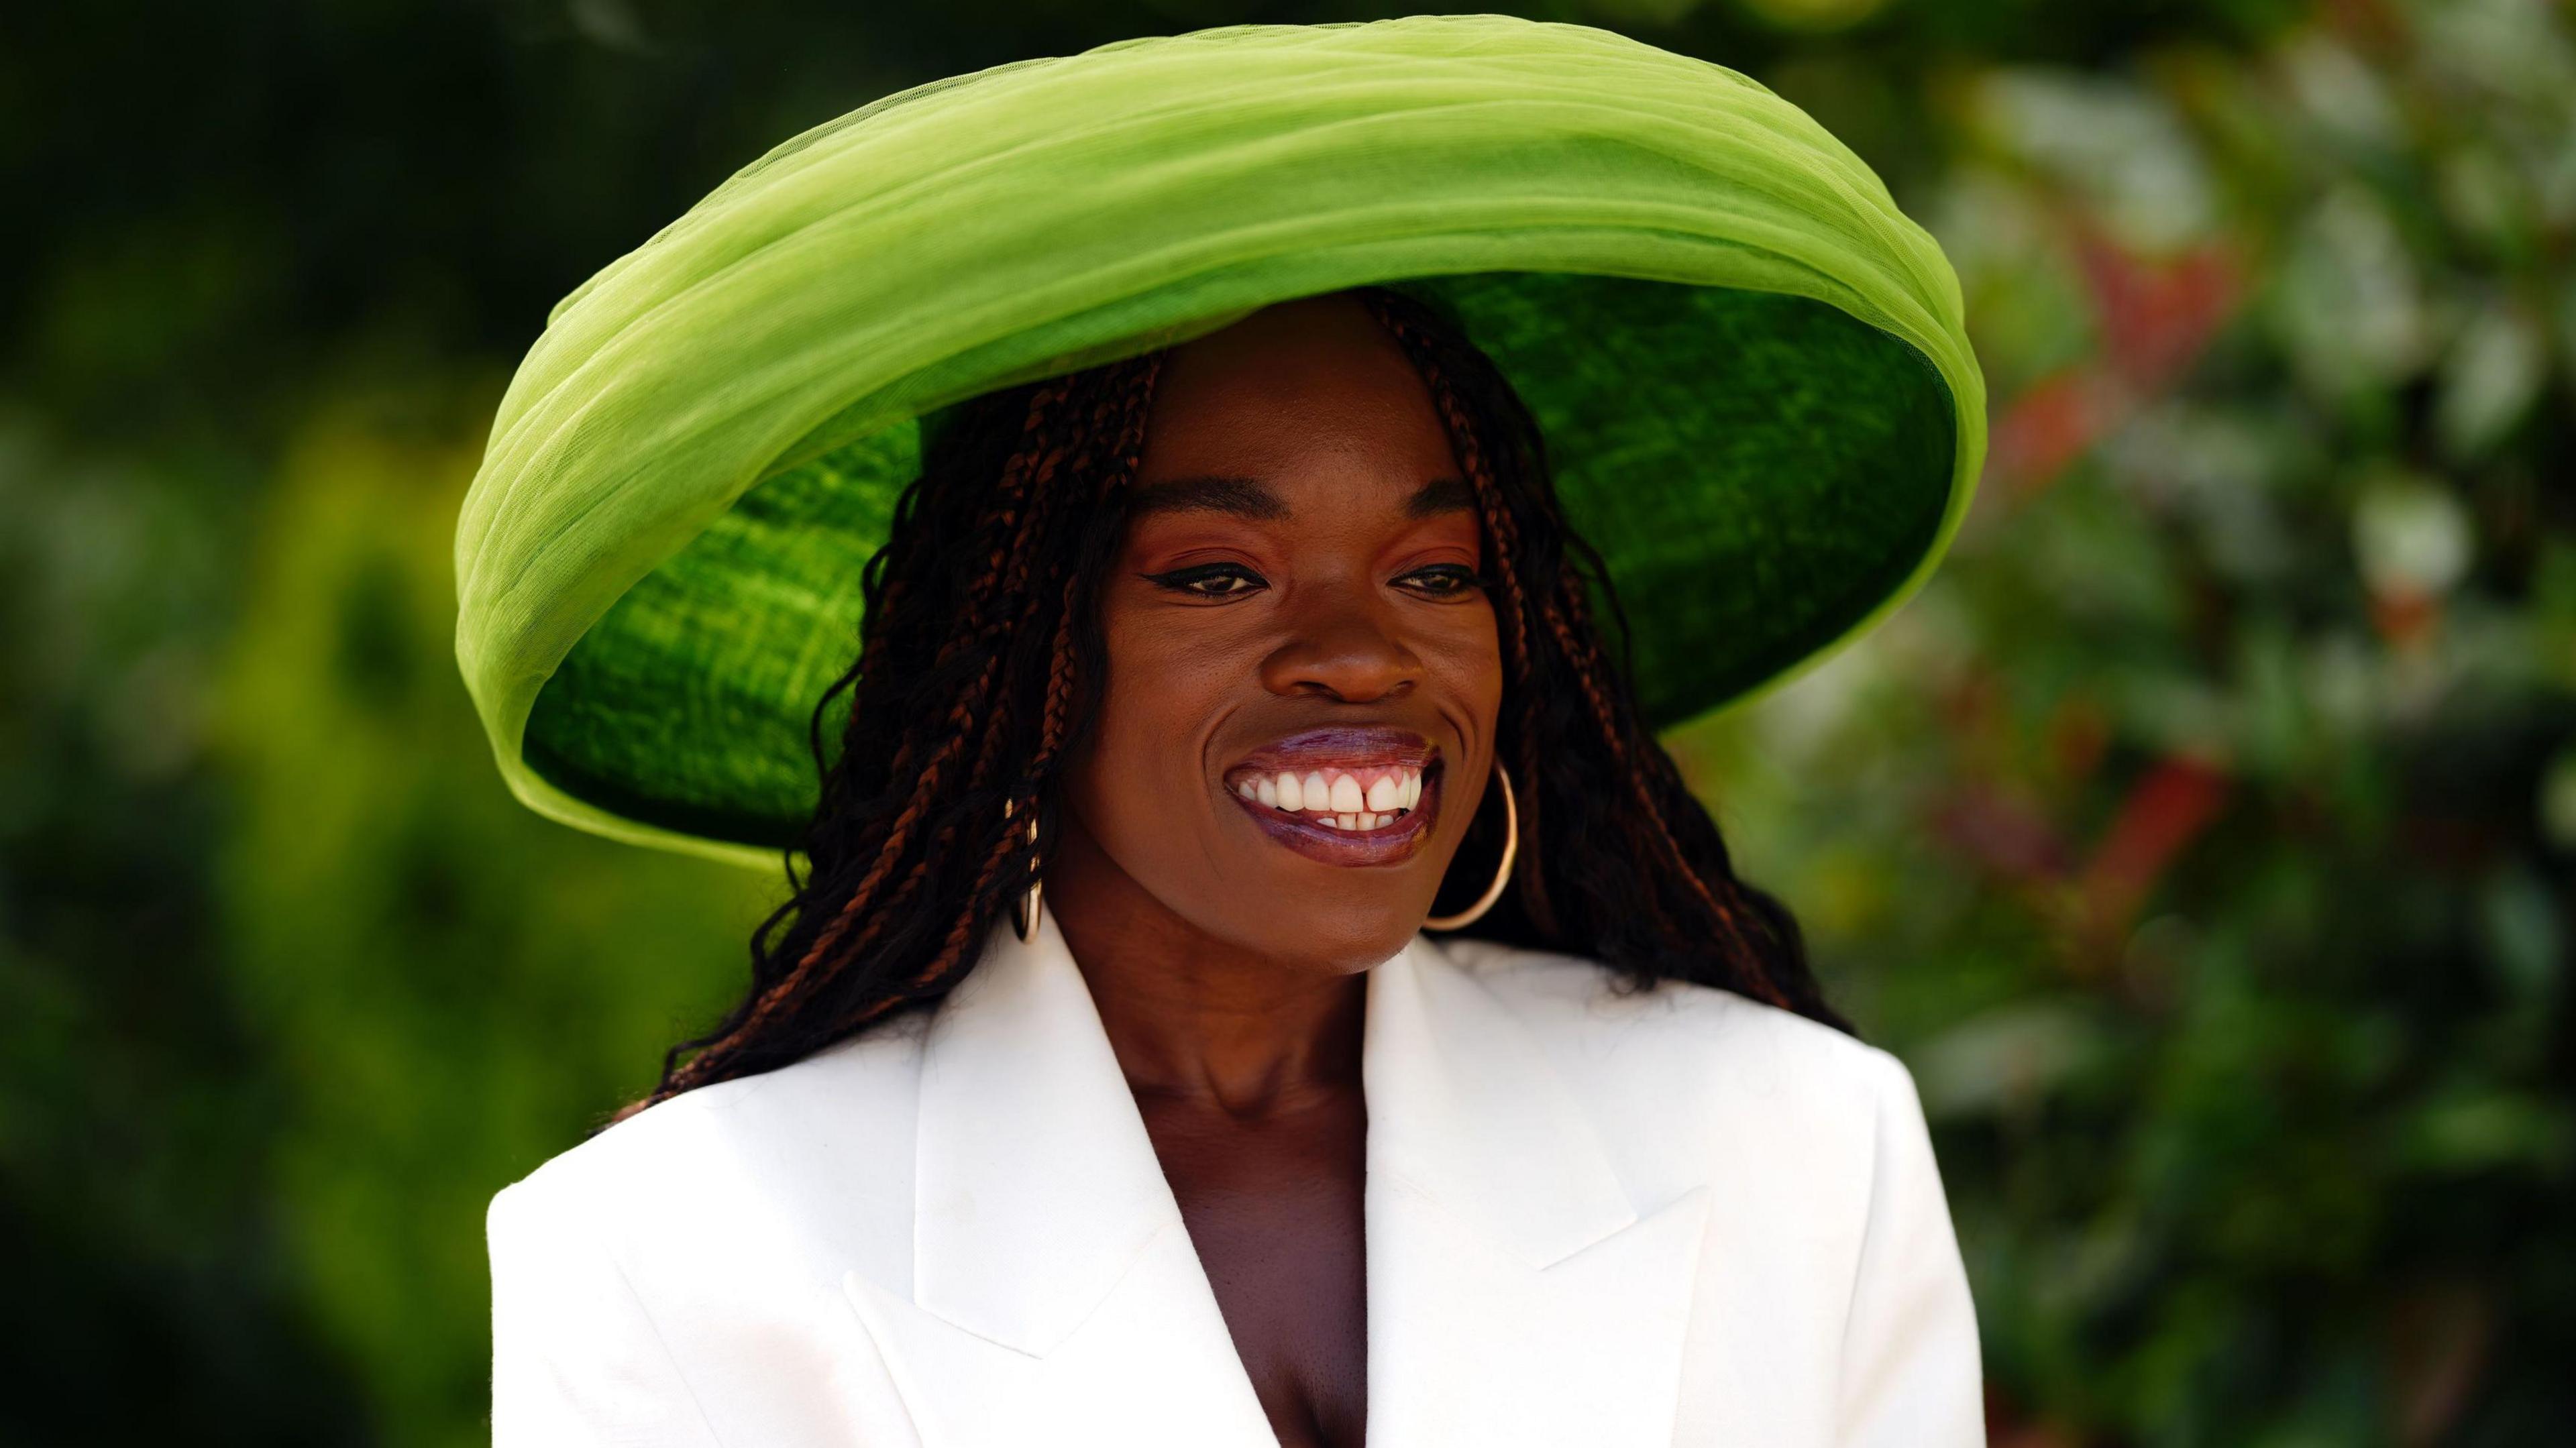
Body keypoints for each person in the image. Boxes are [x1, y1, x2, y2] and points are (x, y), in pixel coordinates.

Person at [462, 16, 1988, 1447]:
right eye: (1218, 573)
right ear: (1022, 660)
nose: (1357, 656)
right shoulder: (670, 1252)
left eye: (1438, 572)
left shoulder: (1806, 1148)